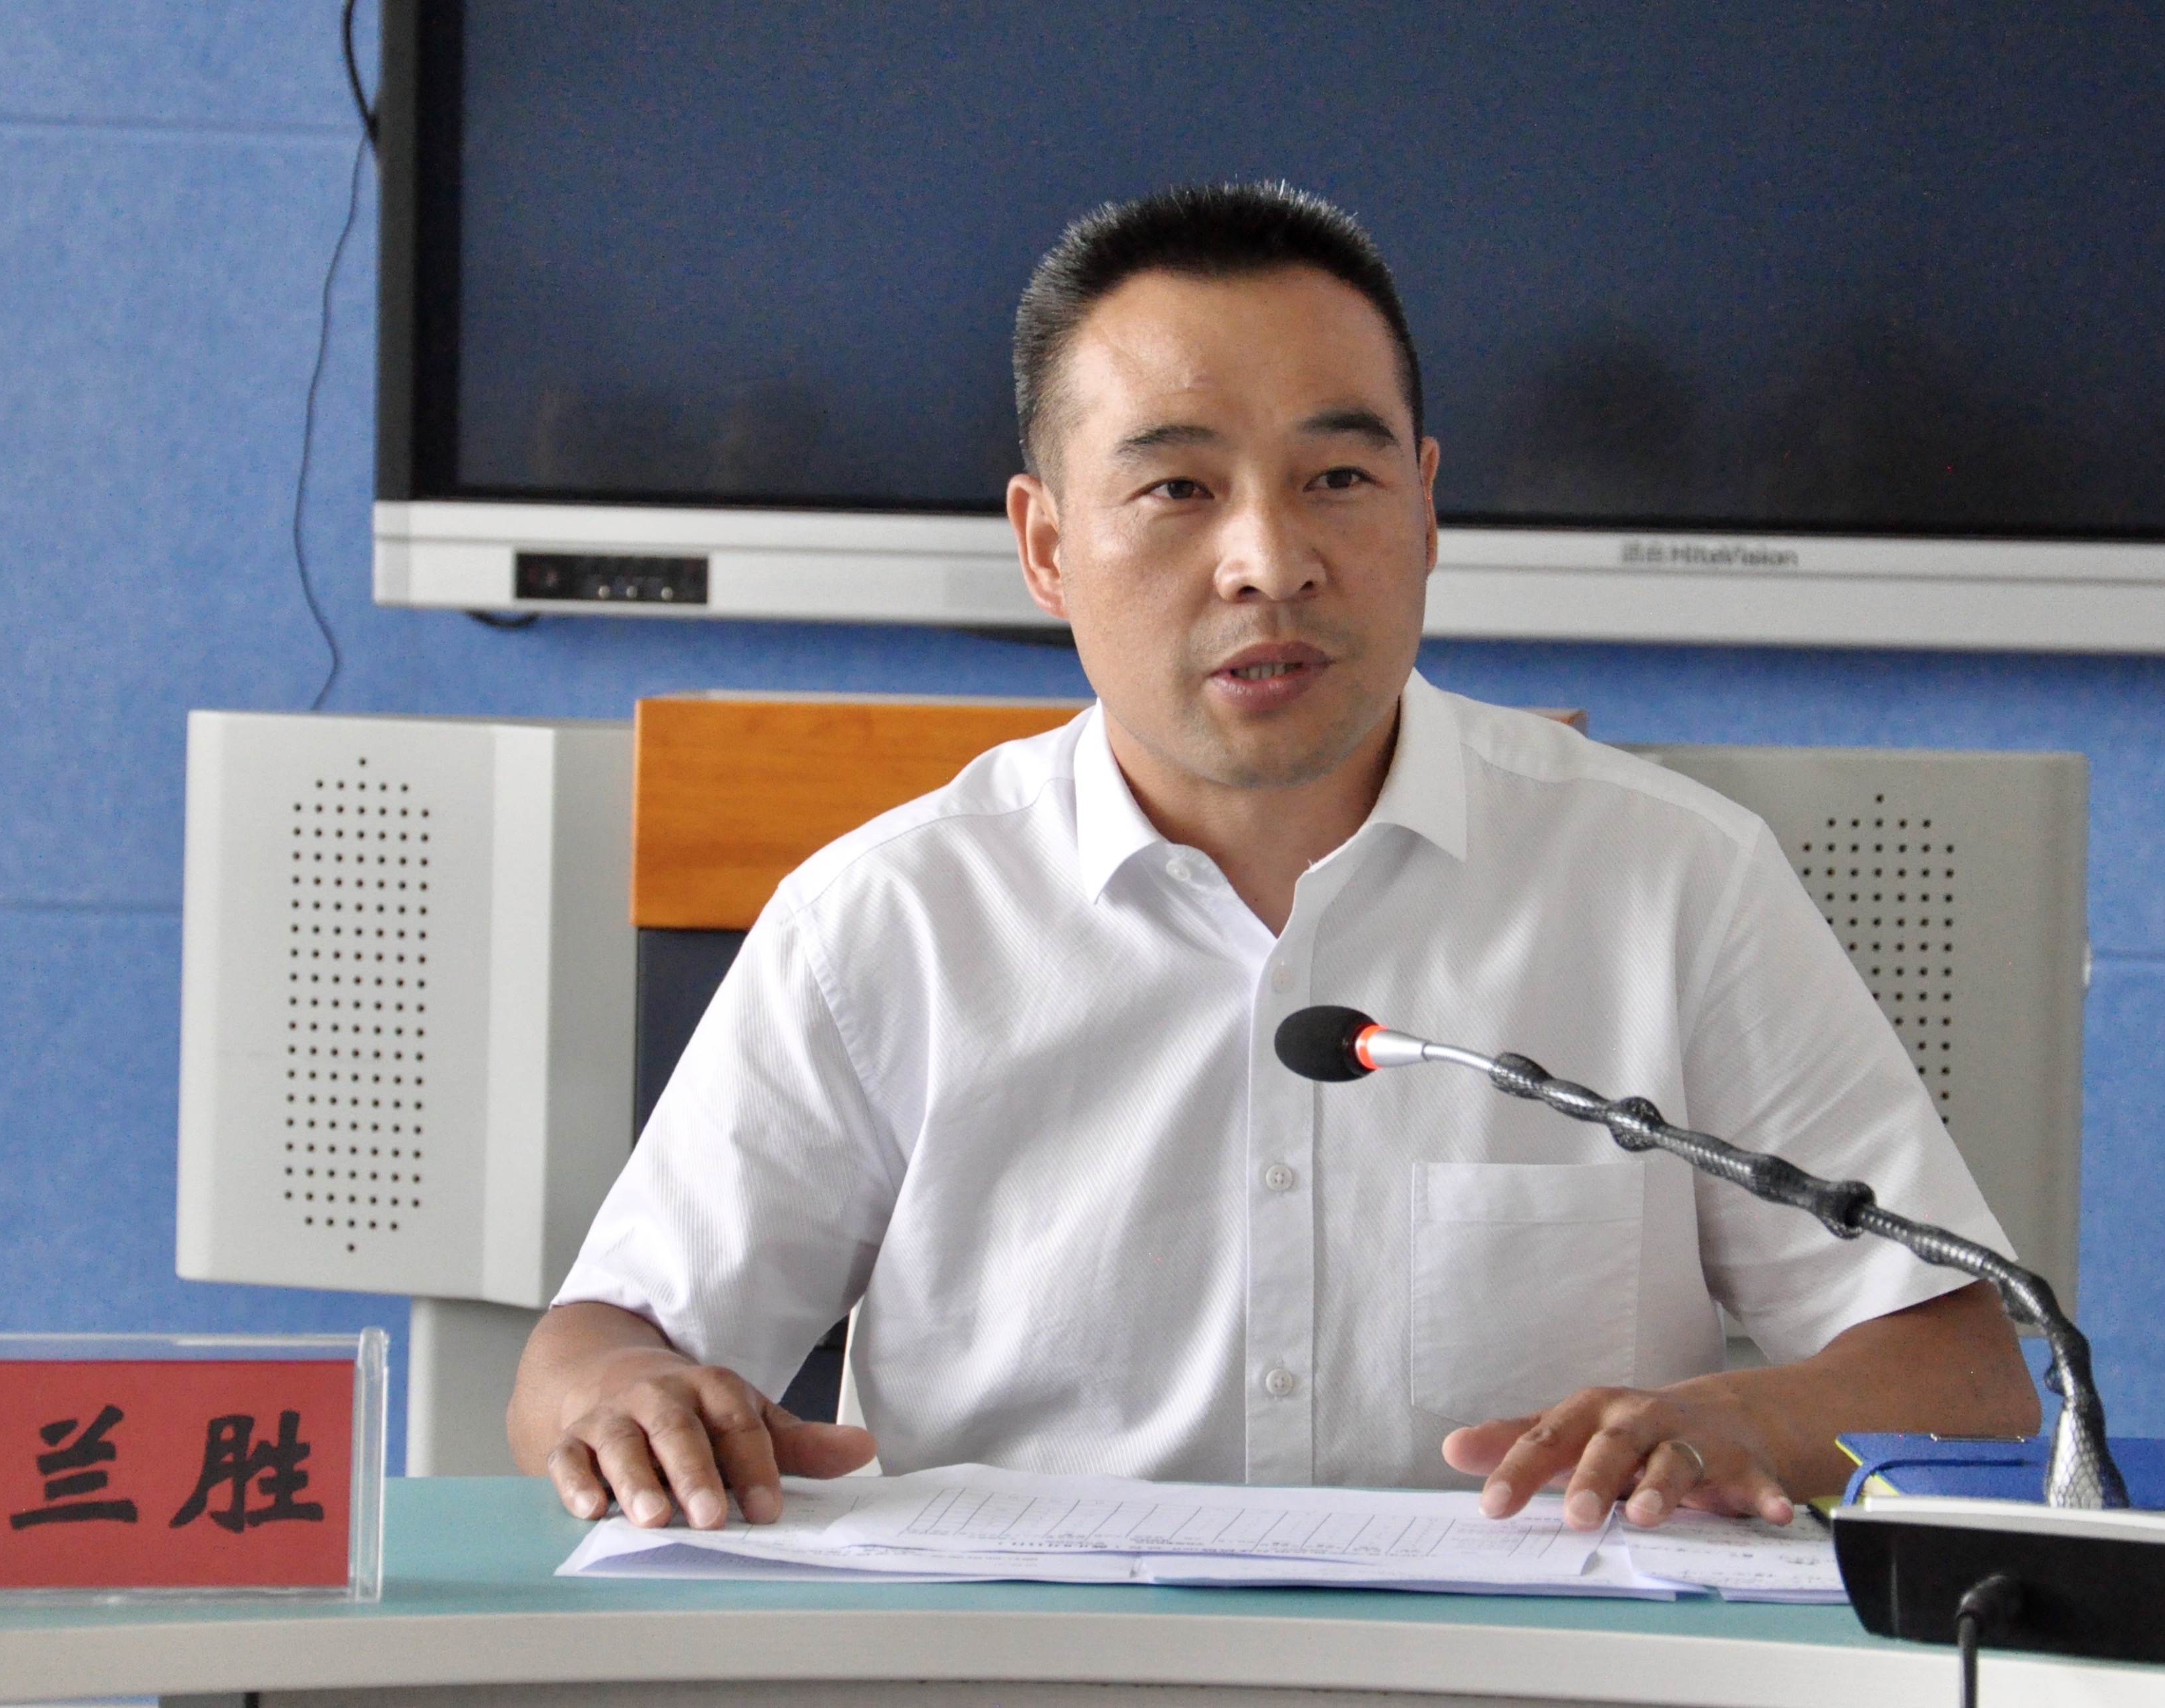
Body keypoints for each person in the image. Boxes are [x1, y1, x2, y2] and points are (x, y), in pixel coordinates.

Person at [508, 183, 2040, 1538]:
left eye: (1339, 479)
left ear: (1427, 509)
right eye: (1178, 489)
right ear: (1046, 546)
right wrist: (626, 1398)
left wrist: (1743, 1419)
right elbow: (592, 1352)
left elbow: (1966, 1375)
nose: (1270, 561)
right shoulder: (889, 918)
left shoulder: (1673, 882)